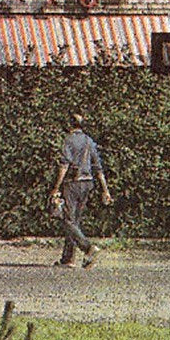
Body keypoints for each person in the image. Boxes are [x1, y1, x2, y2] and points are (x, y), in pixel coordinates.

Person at [51, 113, 112, 268]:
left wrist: (56, 187)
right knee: (75, 221)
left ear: (69, 125)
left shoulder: (68, 140)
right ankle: (68, 259)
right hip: (88, 183)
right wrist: (105, 190)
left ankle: (88, 248)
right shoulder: (89, 141)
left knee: (67, 220)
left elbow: (64, 165)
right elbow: (98, 168)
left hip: (72, 183)